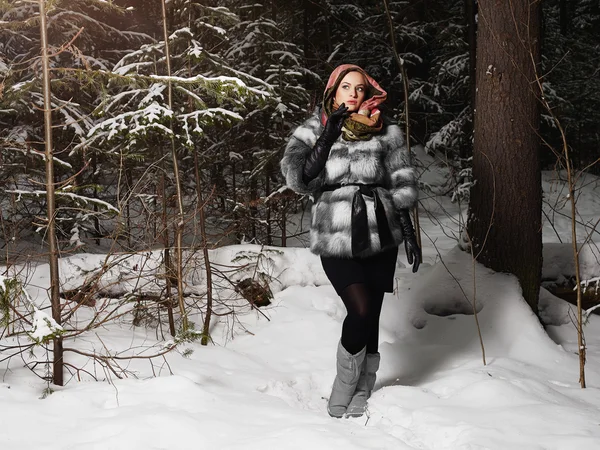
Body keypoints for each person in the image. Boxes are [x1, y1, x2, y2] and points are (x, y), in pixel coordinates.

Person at [280, 64, 421, 418]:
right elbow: (300, 178)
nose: (353, 95)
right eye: (346, 87)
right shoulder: (313, 129)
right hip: (335, 233)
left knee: (371, 312)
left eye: (359, 88)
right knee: (358, 308)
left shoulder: (387, 130)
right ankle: (343, 386)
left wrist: (409, 232)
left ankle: (363, 388)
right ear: (333, 91)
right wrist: (329, 134)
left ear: (368, 93)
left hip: (380, 230)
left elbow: (400, 180)